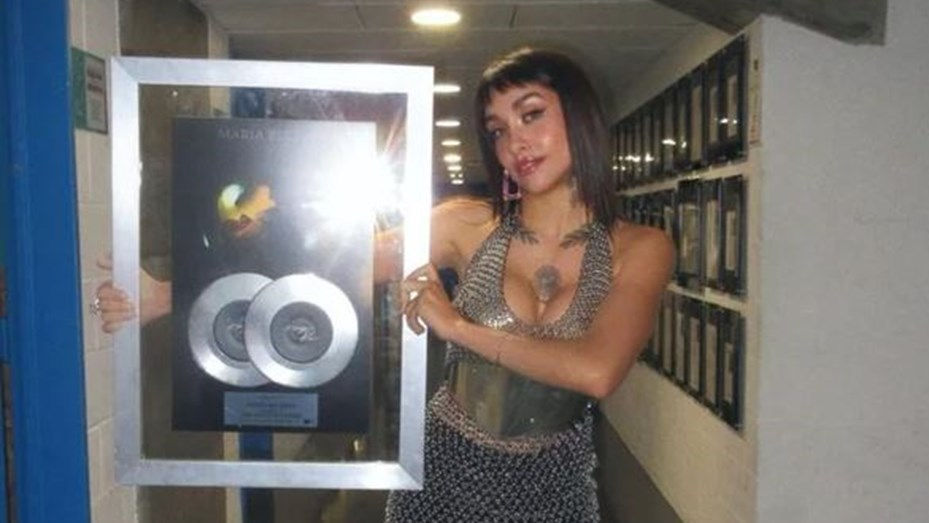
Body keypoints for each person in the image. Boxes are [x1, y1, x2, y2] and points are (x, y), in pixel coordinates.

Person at [94, 47, 673, 522]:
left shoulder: (640, 248)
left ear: (580, 115)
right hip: (447, 475)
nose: (513, 143)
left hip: (557, 486)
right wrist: (169, 294)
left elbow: (597, 370)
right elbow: (321, 266)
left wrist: (458, 327)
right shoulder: (466, 225)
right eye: (497, 130)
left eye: (531, 115)